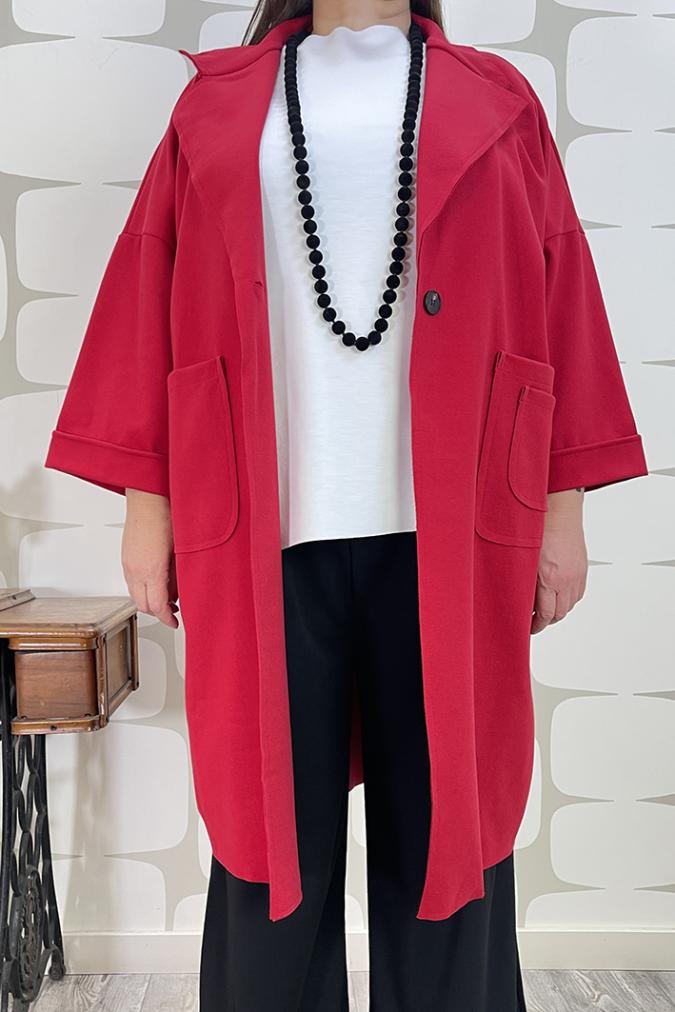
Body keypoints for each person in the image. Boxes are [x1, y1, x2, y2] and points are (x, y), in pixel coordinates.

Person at [43, 2, 649, 1009]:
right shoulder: (215, 107)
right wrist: (146, 505)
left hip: (453, 534)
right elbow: (151, 285)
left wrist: (565, 506)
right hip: (261, 533)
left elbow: (561, 293)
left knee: (452, 837)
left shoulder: (498, 101)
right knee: (266, 837)